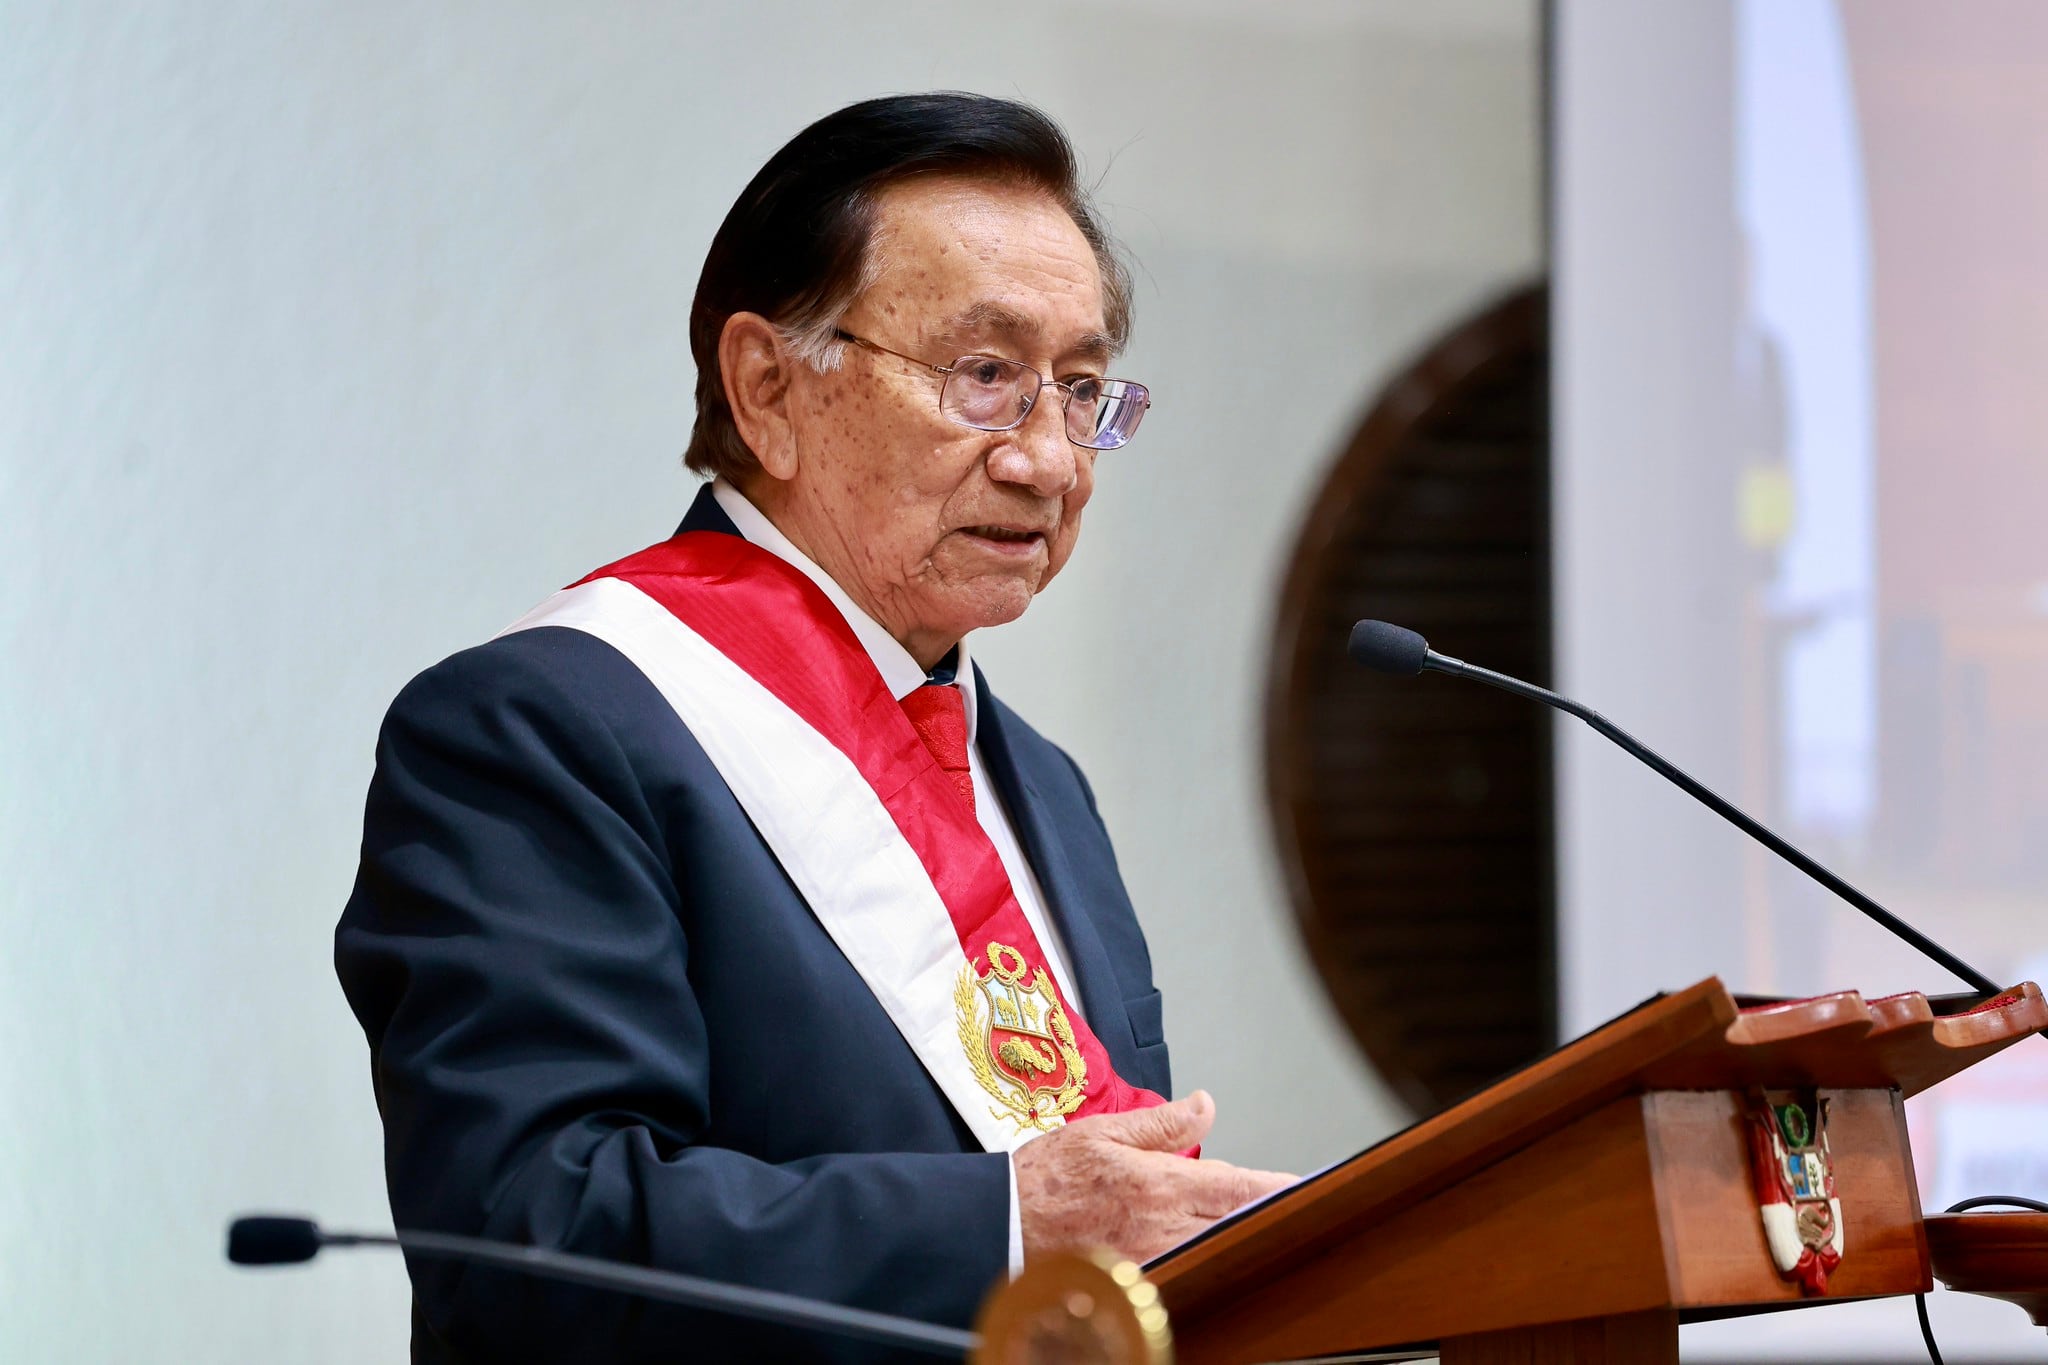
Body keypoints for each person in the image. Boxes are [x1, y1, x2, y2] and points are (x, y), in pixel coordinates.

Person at [335, 91, 1291, 1363]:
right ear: (767, 388)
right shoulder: (540, 729)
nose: (1050, 461)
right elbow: (526, 1237)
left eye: (1079, 389)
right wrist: (1004, 1227)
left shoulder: (1039, 783)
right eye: (985, 376)